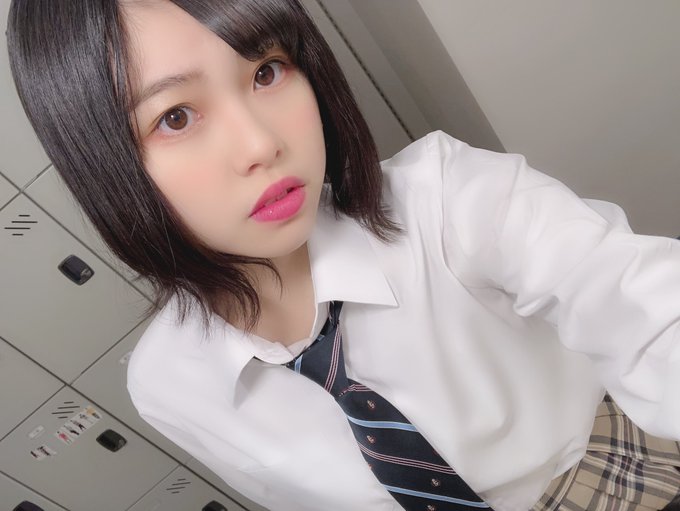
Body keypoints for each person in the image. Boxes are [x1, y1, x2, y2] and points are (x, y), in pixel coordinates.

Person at [6, 1, 680, 510]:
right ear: (103, 166)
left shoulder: (449, 197)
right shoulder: (167, 384)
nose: (261, 143)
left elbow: (642, 305)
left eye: (267, 72)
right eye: (176, 116)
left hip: (615, 474)